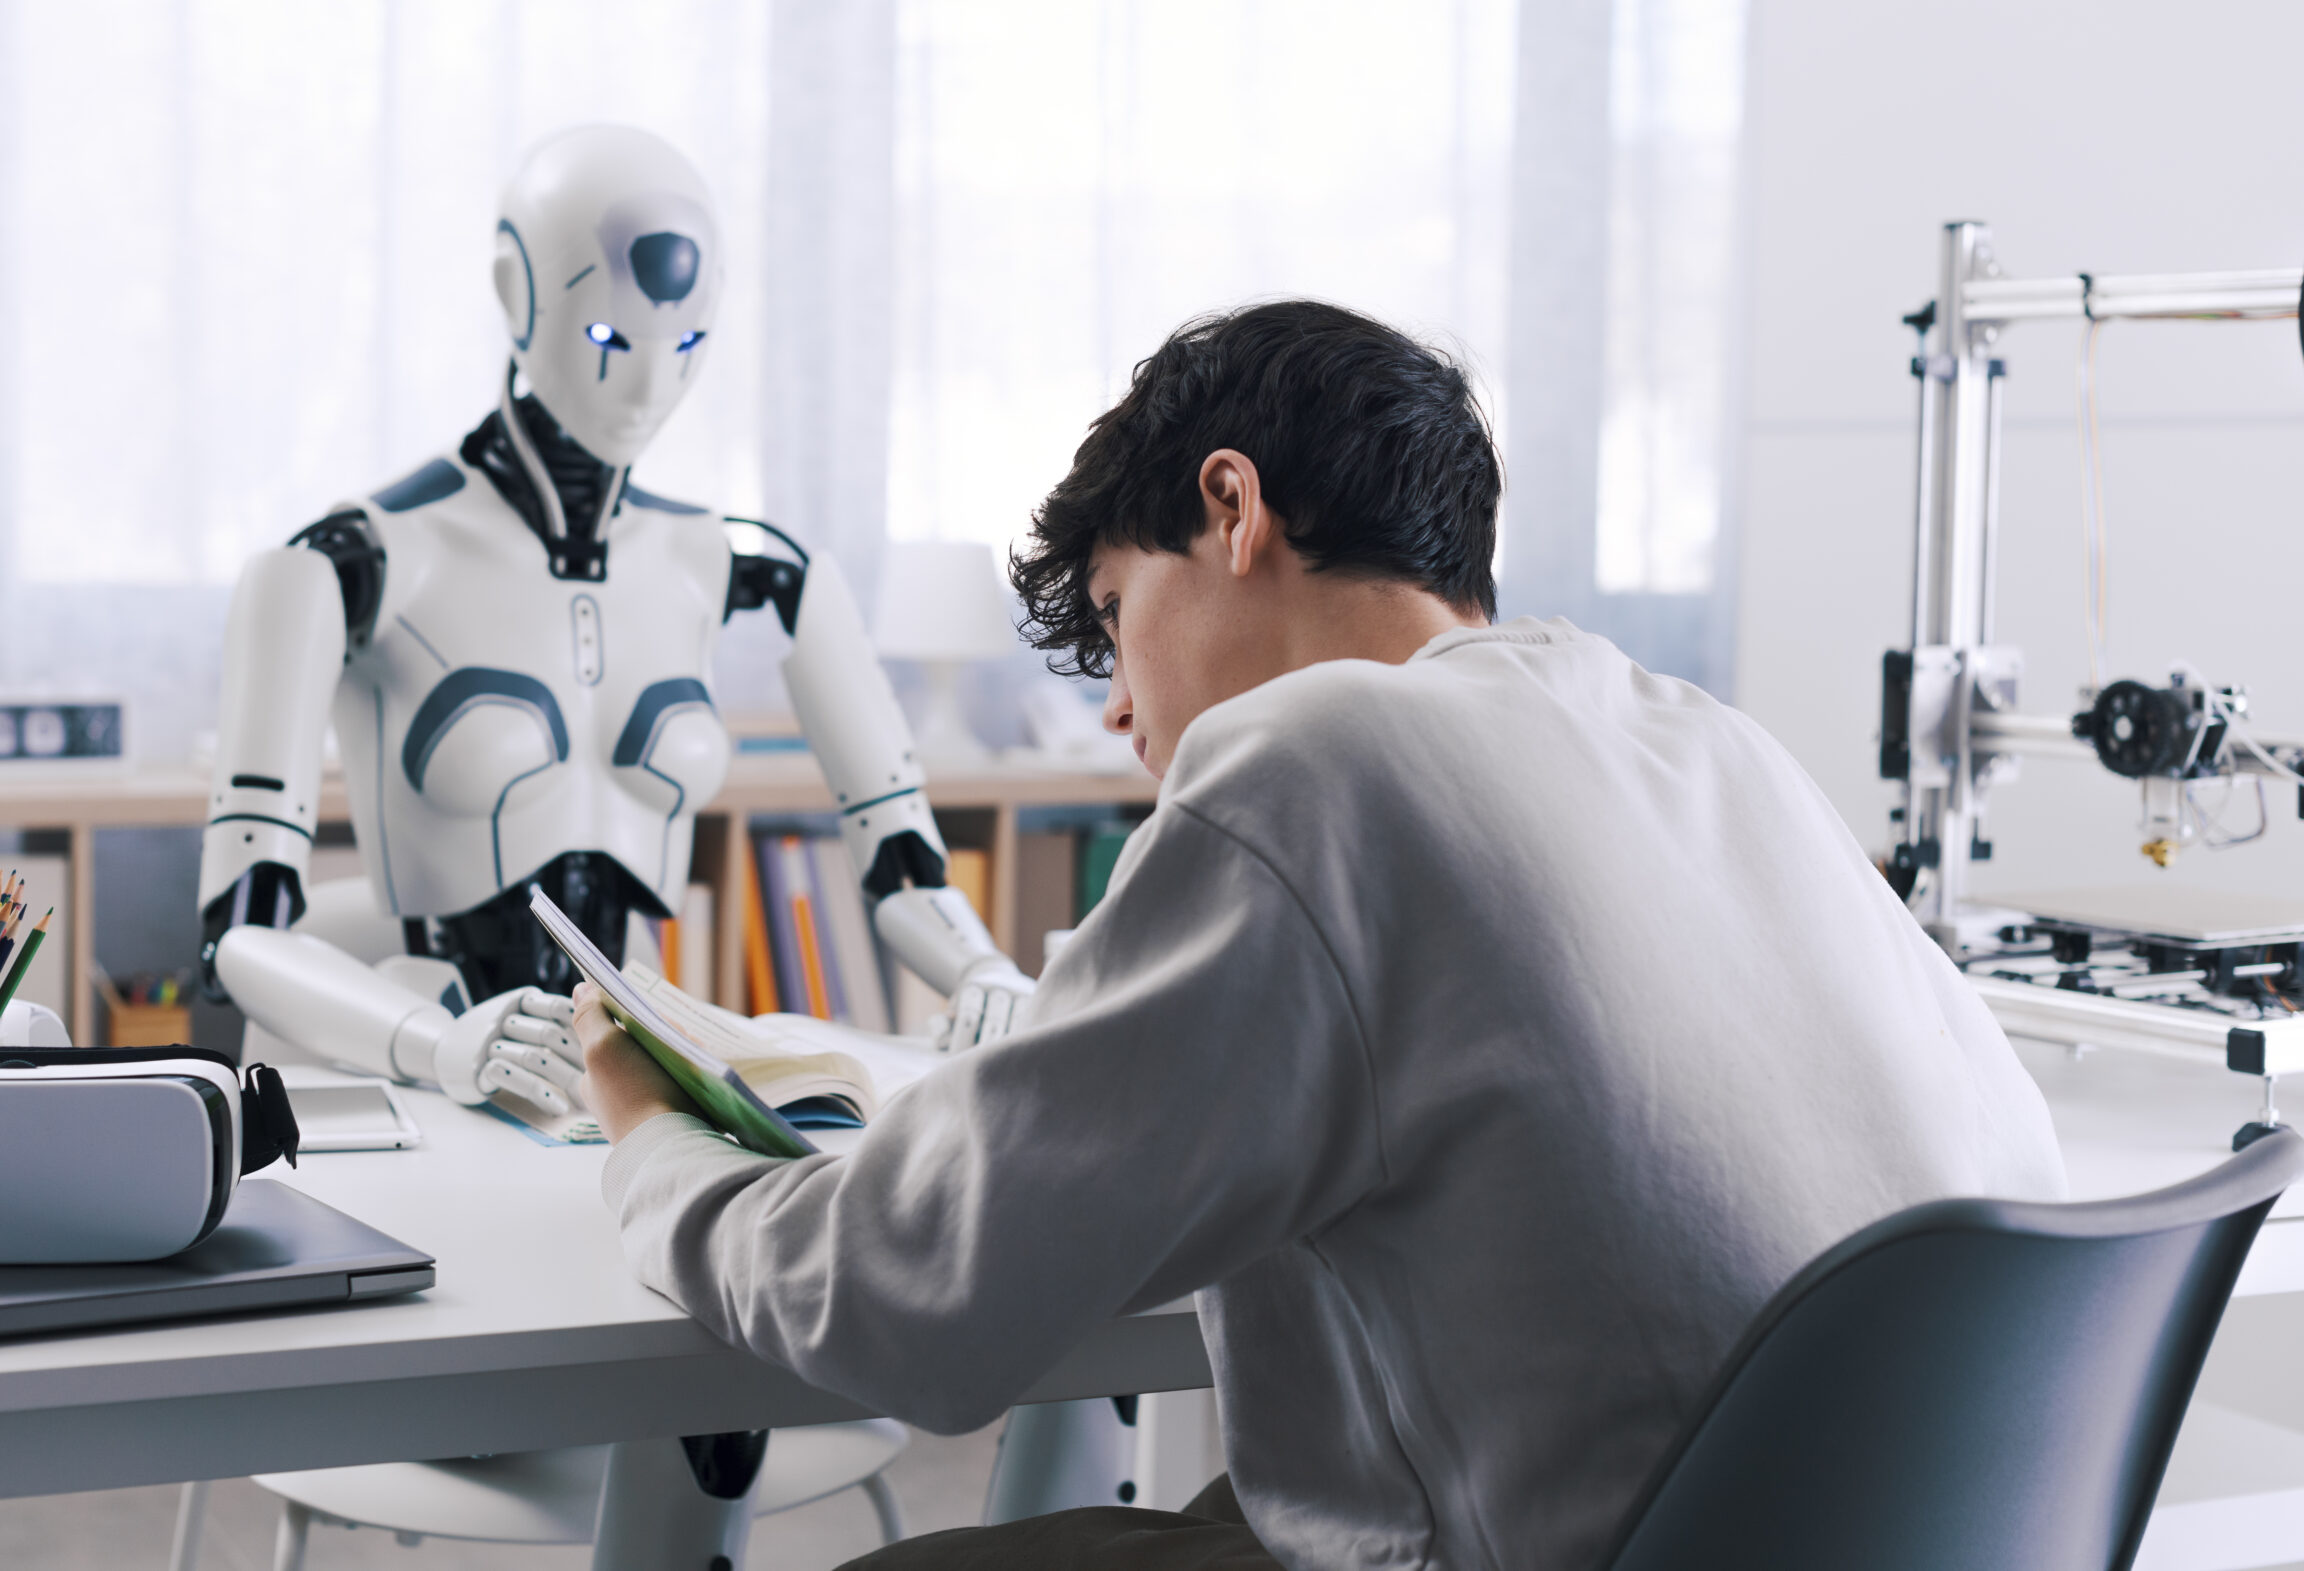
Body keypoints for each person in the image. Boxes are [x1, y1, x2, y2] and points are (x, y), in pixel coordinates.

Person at [574, 299, 2067, 1570]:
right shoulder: (1704, 739)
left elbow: (903, 1303)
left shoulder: (1314, 759)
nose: (1112, 706)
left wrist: (650, 1142)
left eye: (1113, 616)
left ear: (1232, 511)